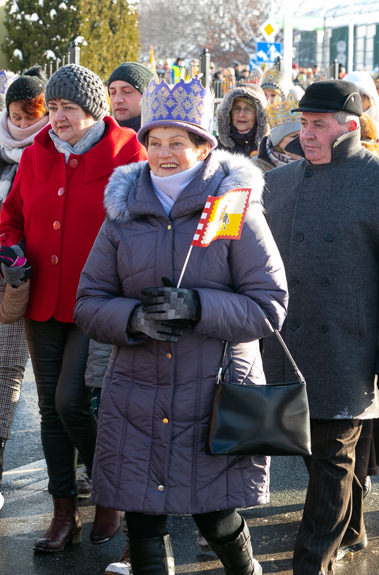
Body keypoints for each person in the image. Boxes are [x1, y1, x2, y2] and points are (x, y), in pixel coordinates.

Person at [74, 75, 287, 575]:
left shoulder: (232, 207)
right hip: (137, 396)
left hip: (212, 391)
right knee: (143, 519)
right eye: (155, 142)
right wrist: (133, 318)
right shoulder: (122, 213)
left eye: (178, 142)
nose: (165, 153)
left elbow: (269, 305)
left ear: (203, 145)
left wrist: (197, 305)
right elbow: (89, 301)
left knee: (215, 514)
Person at [262, 80, 379, 575]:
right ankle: (351, 526)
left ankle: (310, 563)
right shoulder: (279, 181)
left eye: (318, 125)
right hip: (288, 344)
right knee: (313, 451)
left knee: (333, 453)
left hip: (352, 347)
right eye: (303, 123)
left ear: (349, 126)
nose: (305, 134)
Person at [0, 63, 147, 551]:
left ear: (94, 111)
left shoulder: (128, 154)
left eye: (69, 109)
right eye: (54, 108)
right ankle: (64, 513)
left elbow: (142, 229)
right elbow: (11, 218)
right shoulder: (35, 155)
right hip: (41, 298)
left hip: (97, 302)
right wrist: (12, 249)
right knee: (48, 409)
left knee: (72, 401)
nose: (58, 118)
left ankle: (111, 492)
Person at [0, 65, 49, 512]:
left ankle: (76, 473)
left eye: (28, 113)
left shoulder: (53, 150)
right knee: (4, 369)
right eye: (14, 114)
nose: (20, 122)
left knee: (52, 386)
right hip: (7, 274)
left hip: (46, 278)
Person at [215, 84, 269, 158]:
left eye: (248, 109)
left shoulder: (268, 148)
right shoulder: (215, 146)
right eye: (237, 108)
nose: (241, 114)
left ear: (259, 114)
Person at [256, 94, 303, 172]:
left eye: (303, 134)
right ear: (278, 141)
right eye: (294, 136)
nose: (301, 140)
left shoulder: (316, 163)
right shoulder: (255, 168)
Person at [107, 62, 154, 132]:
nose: (117, 100)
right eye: (113, 93)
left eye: (127, 91)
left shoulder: (165, 137)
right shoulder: (100, 137)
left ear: (148, 96)